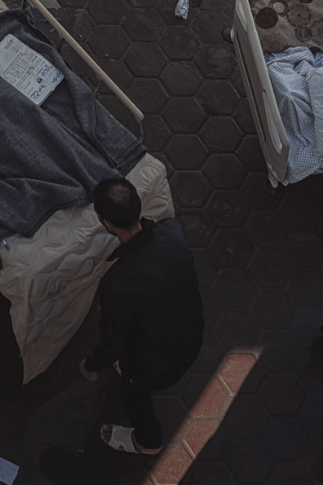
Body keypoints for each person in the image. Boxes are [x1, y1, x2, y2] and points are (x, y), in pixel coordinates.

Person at [79, 178, 204, 455]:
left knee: (133, 393)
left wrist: (91, 364)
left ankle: (148, 443)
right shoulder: (173, 233)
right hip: (193, 338)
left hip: (157, 368)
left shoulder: (116, 283)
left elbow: (113, 344)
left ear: (107, 224)